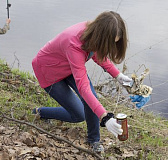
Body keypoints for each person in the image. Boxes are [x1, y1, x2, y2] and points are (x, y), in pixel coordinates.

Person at [32, 11, 150, 152]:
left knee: (91, 98)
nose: (112, 46)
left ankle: (93, 139)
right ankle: (40, 112)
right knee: (78, 114)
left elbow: (97, 53)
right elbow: (83, 88)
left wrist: (117, 75)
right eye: (111, 42)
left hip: (69, 66)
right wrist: (105, 117)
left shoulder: (93, 32)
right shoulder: (74, 43)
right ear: (102, 36)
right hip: (48, 71)